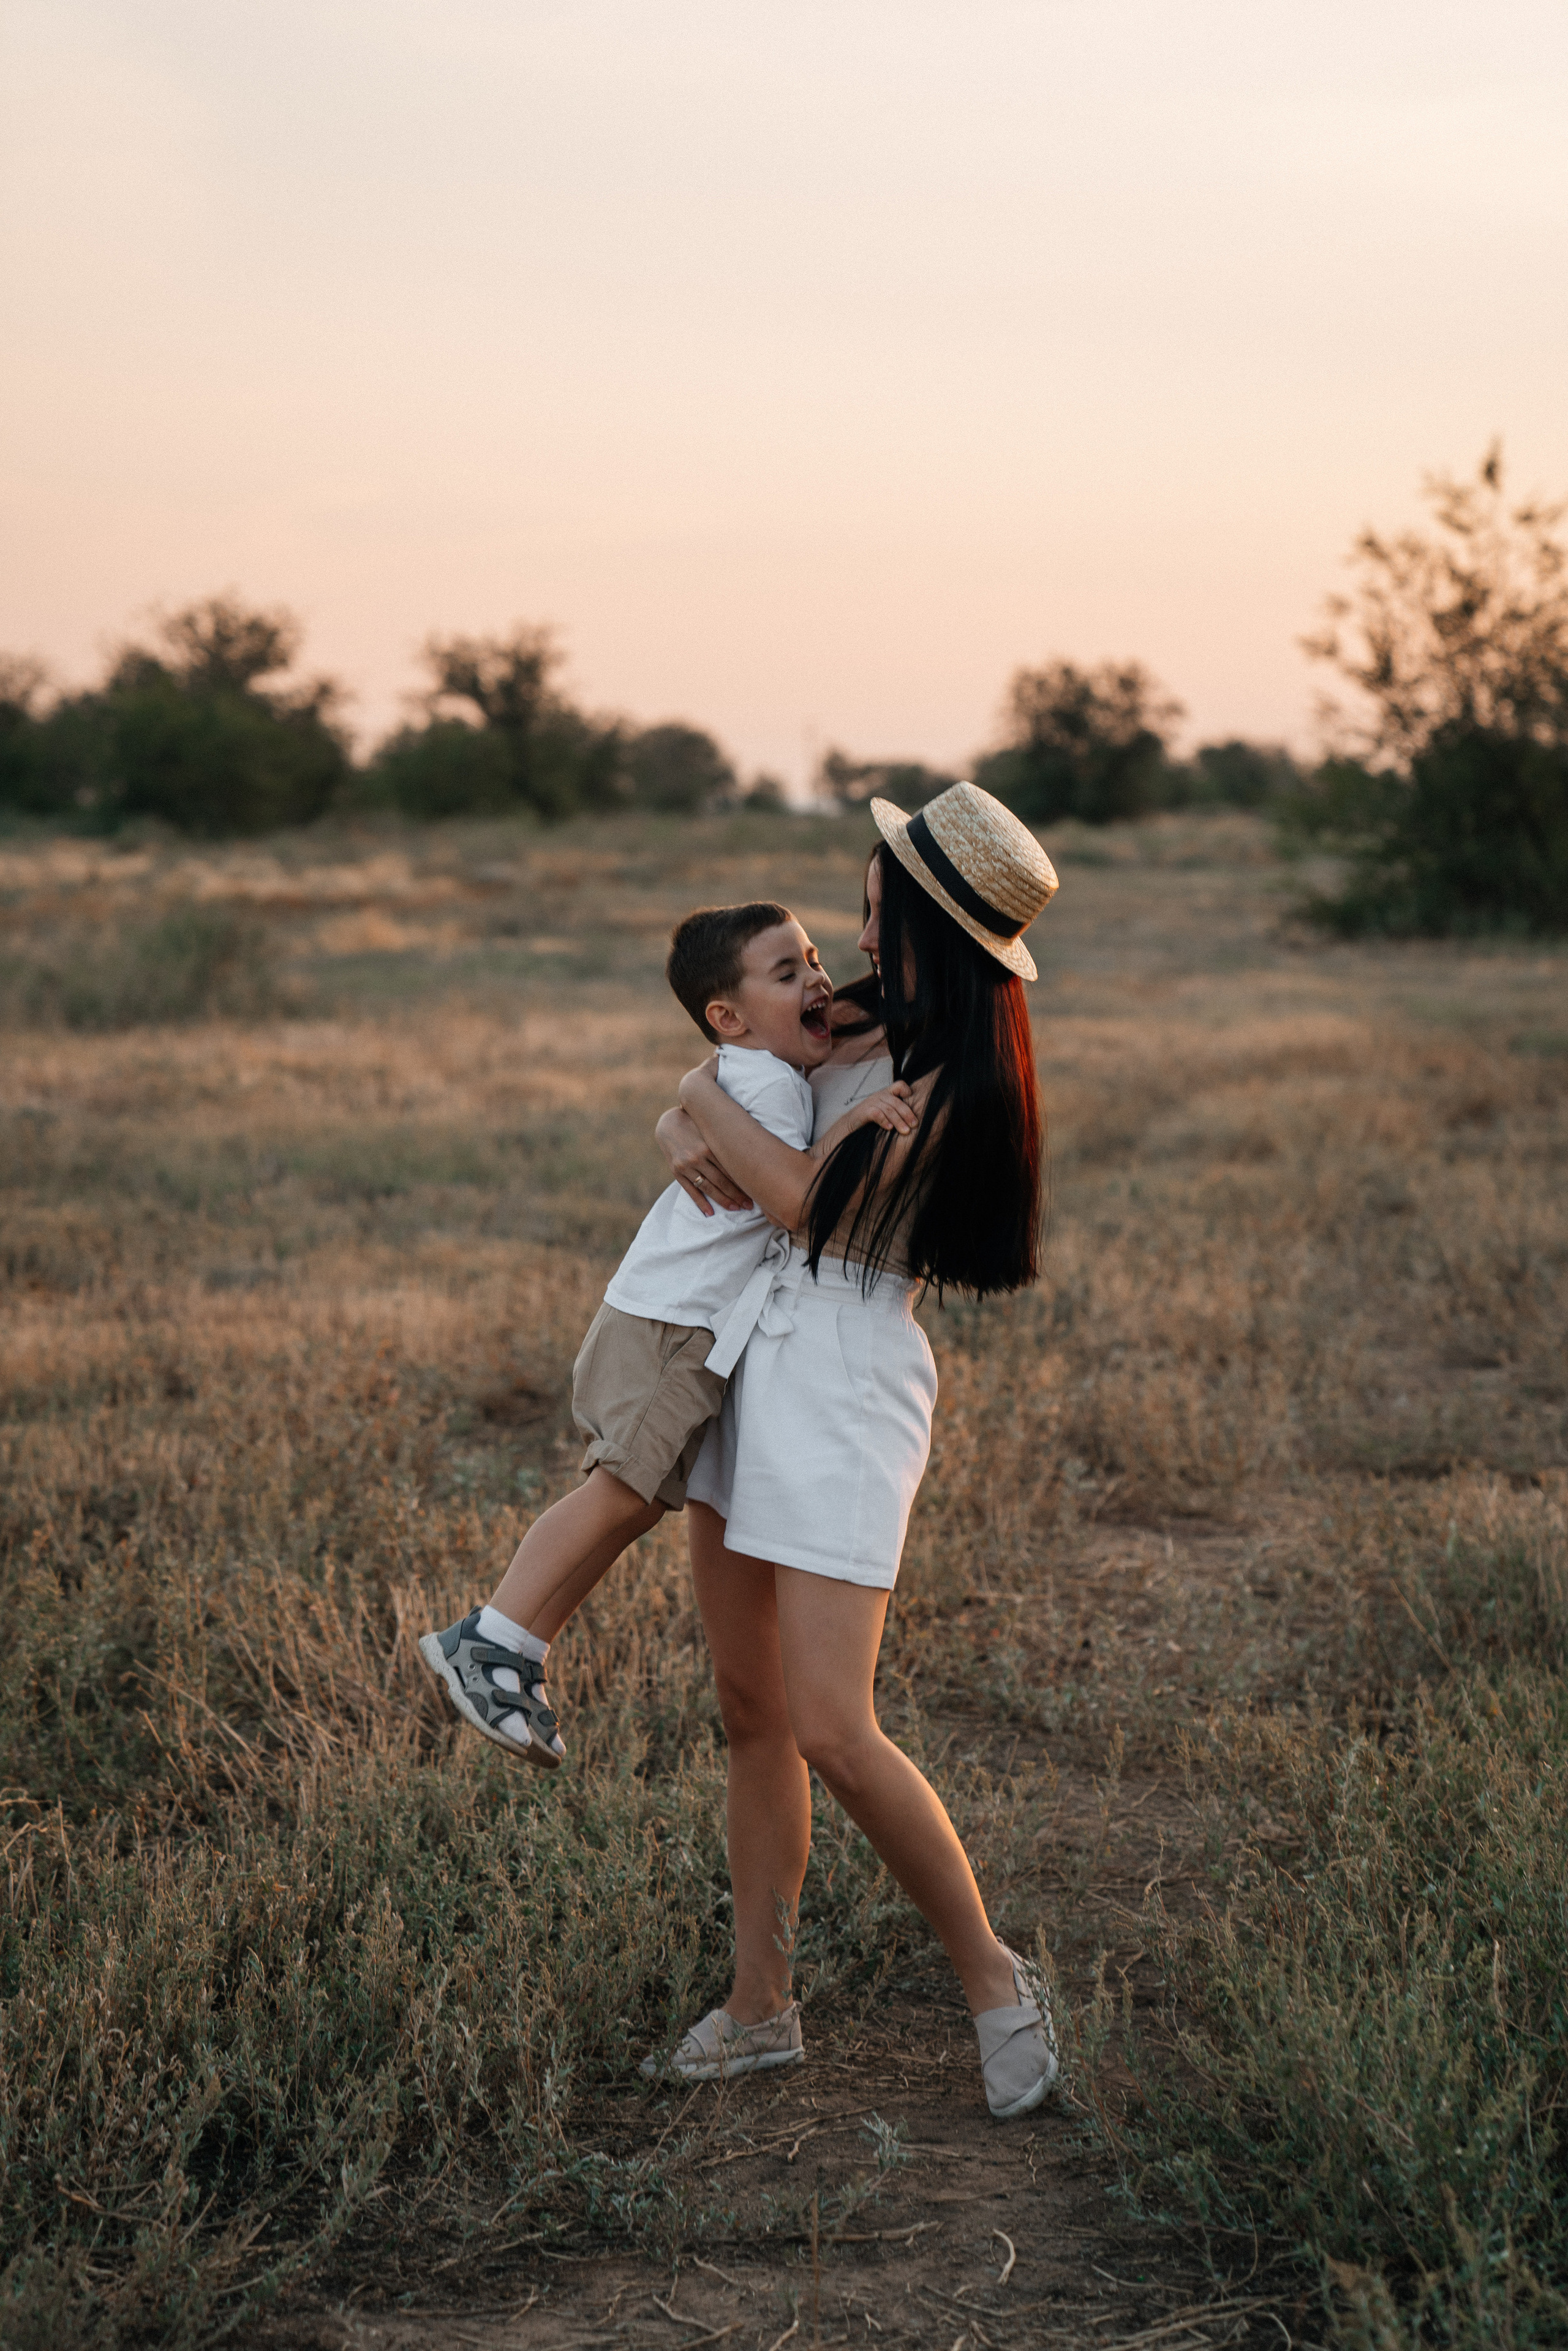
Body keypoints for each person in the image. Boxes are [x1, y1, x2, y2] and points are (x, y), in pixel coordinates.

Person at [649, 780, 1062, 2118]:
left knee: (831, 1720)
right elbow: (738, 1076)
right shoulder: (852, 1017)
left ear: (926, 913)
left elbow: (792, 1199)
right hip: (747, 1354)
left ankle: (994, 1975)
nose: (860, 896)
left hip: (841, 1375)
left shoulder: (947, 1083)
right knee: (748, 1710)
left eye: (883, 880)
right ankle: (760, 2004)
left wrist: (691, 1098)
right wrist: (688, 1104)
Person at [418, 900, 918, 1765]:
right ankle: (491, 1634)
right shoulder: (766, 1083)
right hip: (672, 1325)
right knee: (619, 1493)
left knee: (634, 1495)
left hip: (669, 1319)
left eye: (812, 958)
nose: (821, 977)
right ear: (728, 1017)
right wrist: (856, 1121)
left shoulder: (755, 1070)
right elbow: (795, 1190)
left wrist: (695, 1097)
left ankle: (519, 1649)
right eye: (789, 970)